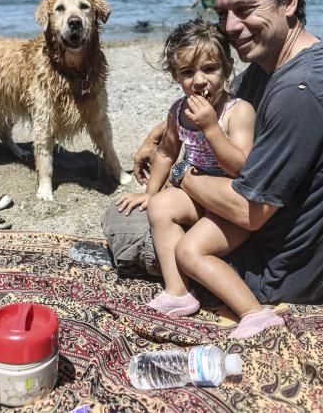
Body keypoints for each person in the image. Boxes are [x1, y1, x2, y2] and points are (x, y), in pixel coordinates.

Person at [103, 0, 323, 322]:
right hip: (283, 248)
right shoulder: (274, 65)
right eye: (222, 11)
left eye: (245, 9)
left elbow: (248, 212)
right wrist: (159, 135)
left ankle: (217, 300)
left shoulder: (301, 91)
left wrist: (179, 173)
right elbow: (214, 106)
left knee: (121, 221)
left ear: (289, 1)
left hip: (275, 272)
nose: (230, 26)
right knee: (151, 206)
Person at [116, 18, 284, 336]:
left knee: (189, 251)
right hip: (198, 195)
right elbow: (166, 154)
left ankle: (254, 313)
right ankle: (179, 292)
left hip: (233, 204)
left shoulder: (238, 111)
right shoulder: (178, 111)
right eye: (187, 73)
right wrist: (150, 193)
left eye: (209, 69)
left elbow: (243, 167)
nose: (199, 80)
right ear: (175, 76)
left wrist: (210, 128)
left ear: (227, 68)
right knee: (160, 207)